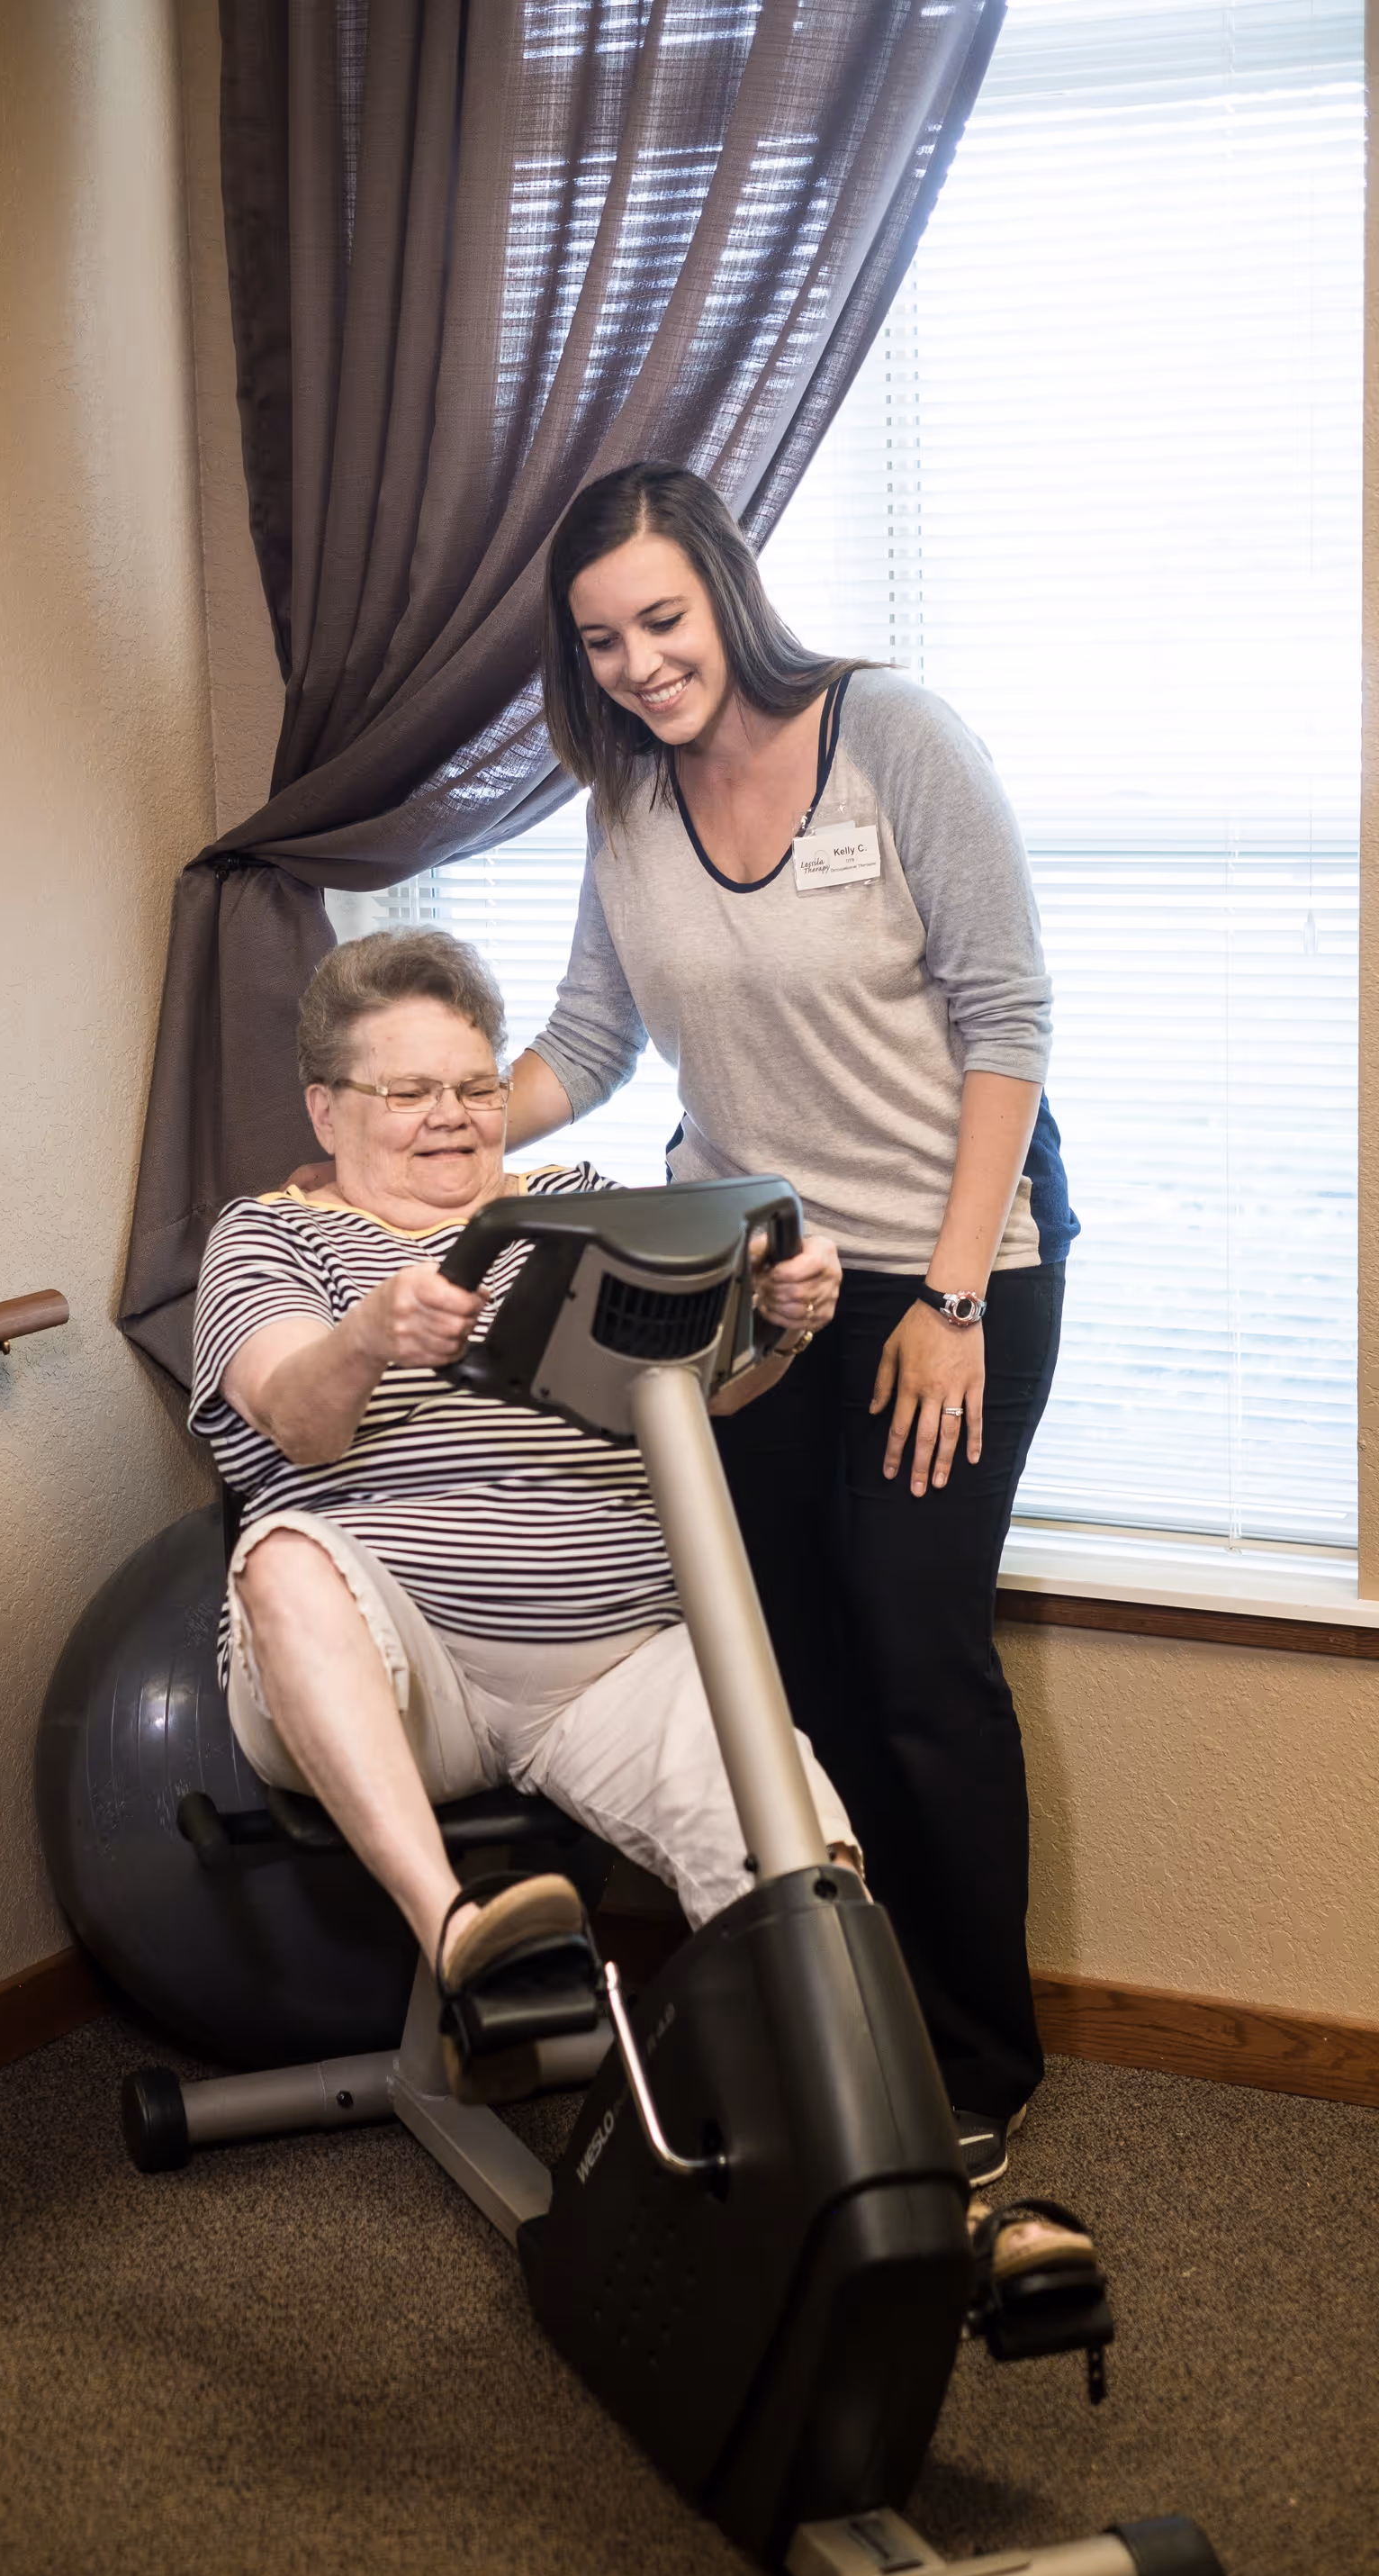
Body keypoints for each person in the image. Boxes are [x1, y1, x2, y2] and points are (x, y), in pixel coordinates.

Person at [500, 460, 1077, 2186]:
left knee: (914, 1657)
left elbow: (1009, 1018)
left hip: (952, 1265)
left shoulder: (892, 737)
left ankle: (979, 2054)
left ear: (728, 594)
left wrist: (955, 1298)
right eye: (601, 641)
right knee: (792, 1675)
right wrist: (440, 1118)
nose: (639, 665)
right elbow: (588, 1045)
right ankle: (848, 2028)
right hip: (748, 1280)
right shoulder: (623, 800)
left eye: (661, 621)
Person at [189, 926, 859, 2099]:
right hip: (402, 1677)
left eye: (475, 1086)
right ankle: (459, 1938)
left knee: (808, 1868)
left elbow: (716, 1383)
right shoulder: (271, 1236)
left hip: (617, 1666)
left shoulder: (585, 1206)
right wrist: (368, 1334)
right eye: (408, 1092)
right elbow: (293, 1418)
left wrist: (785, 1321)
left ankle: (860, 2162)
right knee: (284, 1554)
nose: (450, 1115)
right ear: (326, 1112)